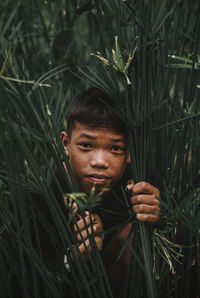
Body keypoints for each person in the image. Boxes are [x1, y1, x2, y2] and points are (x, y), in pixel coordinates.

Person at [59, 87, 161, 296]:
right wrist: (78, 259)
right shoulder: (41, 188)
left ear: (130, 152)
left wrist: (161, 214)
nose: (100, 162)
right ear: (66, 144)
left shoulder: (140, 180)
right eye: (86, 145)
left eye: (115, 148)